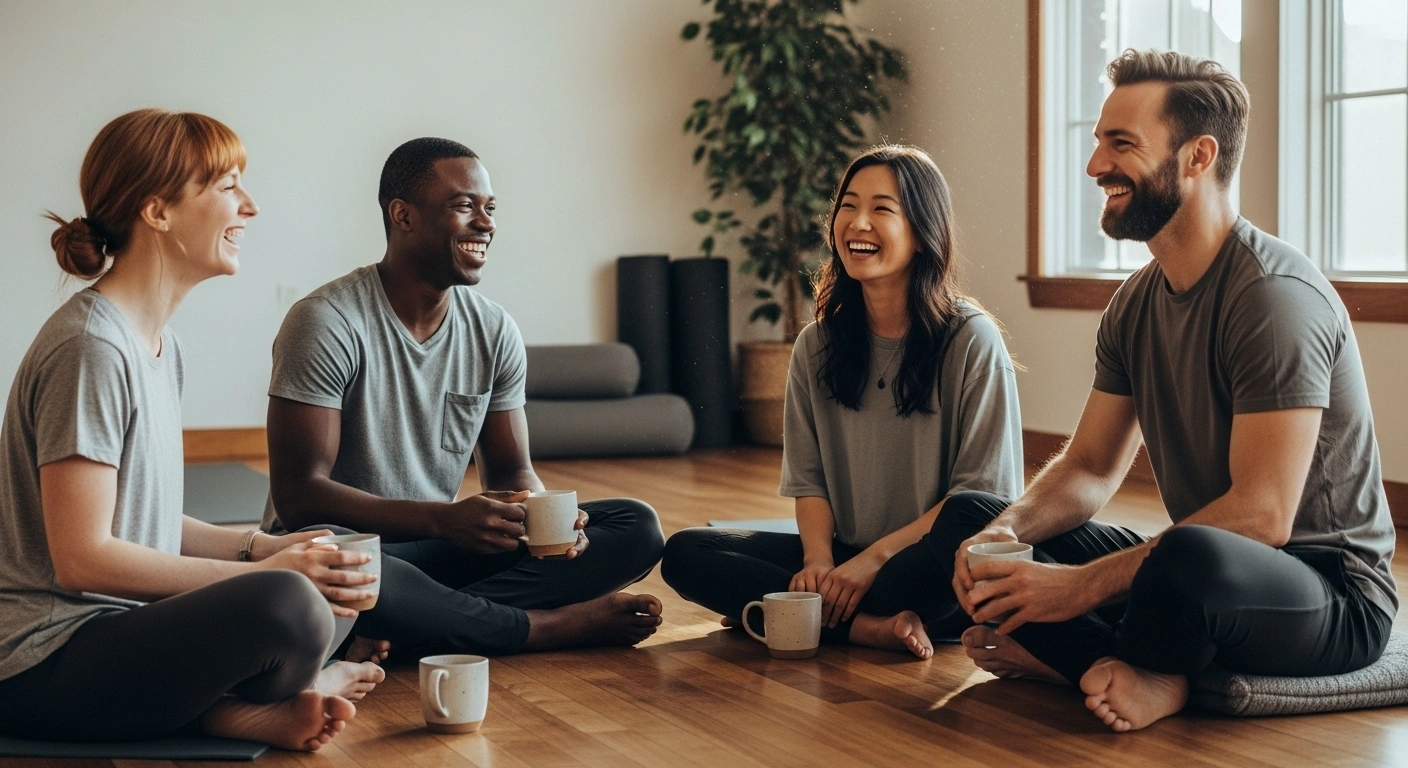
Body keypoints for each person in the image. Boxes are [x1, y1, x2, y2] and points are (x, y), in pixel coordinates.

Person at [924, 49, 1395, 732]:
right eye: (1097, 144)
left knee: (1185, 555)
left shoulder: (1271, 299)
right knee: (966, 521)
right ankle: (1110, 668)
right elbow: (1088, 468)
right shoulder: (1135, 304)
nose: (1094, 167)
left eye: (1121, 145)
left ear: (1198, 156)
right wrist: (1004, 535)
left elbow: (1263, 519)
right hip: (1203, 573)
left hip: (1328, 593)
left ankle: (1107, 657)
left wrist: (1079, 588)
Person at [0, 109, 384, 750]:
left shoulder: (158, 344)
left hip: (129, 634)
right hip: (44, 658)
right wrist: (275, 577)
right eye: (228, 185)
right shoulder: (92, 348)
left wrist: (265, 550)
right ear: (158, 211)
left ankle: (232, 706)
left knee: (333, 555)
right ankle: (231, 709)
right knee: (287, 604)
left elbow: (140, 523)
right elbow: (82, 558)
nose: (250, 206)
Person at [260, 137, 666, 659]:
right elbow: (299, 499)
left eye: (490, 208)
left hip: (436, 549)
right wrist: (441, 519)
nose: (486, 223)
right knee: (340, 556)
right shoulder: (325, 322)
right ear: (402, 215)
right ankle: (543, 628)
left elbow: (511, 473)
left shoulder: (493, 329)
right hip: (345, 551)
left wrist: (548, 525)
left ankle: (404, 632)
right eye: (464, 206)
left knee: (635, 526)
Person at [661, 145, 1023, 660]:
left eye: (882, 209)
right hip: (849, 555)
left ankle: (790, 612)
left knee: (967, 526)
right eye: (848, 206)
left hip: (929, 565)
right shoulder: (817, 345)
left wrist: (871, 562)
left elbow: (983, 502)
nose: (858, 222)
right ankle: (865, 628)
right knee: (686, 553)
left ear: (922, 233)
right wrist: (819, 559)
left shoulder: (971, 339)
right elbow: (809, 480)